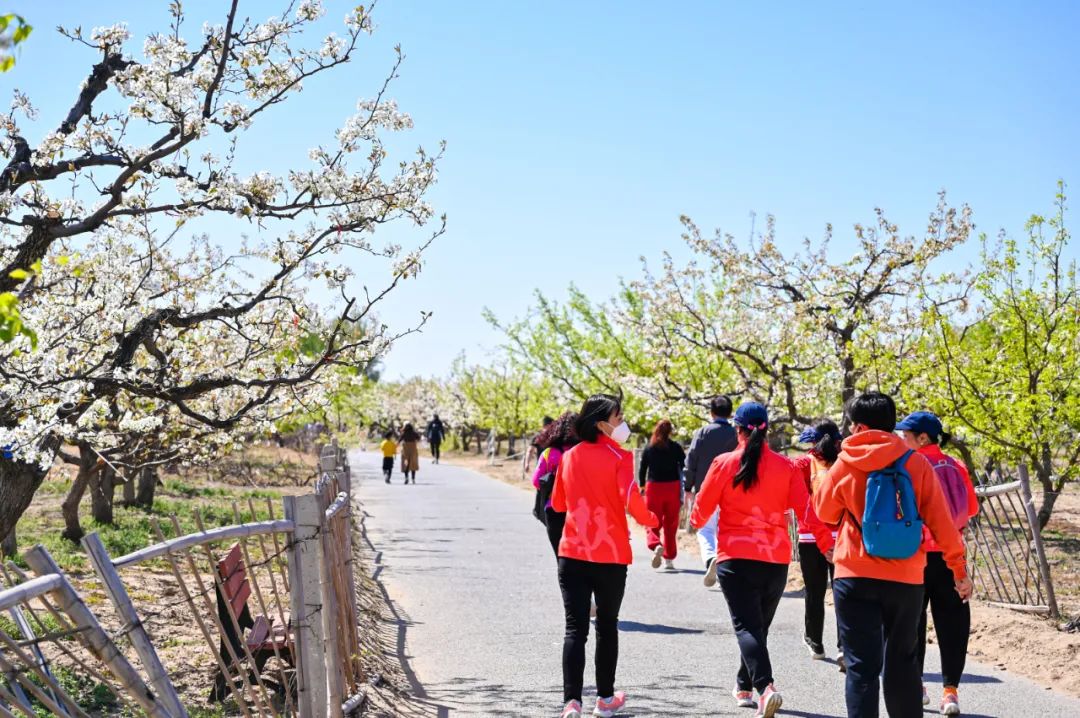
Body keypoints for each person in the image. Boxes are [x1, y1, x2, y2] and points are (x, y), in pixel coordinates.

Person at [813, 393, 972, 718]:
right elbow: (943, 524)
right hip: (906, 578)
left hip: (853, 575)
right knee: (902, 663)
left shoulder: (845, 462)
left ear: (857, 426)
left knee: (862, 668)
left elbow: (825, 512)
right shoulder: (916, 463)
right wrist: (958, 569)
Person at [690, 401, 830, 717]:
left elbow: (702, 509)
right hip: (775, 559)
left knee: (747, 627)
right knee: (757, 627)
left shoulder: (724, 463)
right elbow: (806, 510)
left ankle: (765, 687)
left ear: (737, 429)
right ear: (766, 429)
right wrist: (825, 543)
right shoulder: (786, 467)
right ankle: (743, 685)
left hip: (735, 557)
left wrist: (697, 520)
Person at [551, 393, 658, 718]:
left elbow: (558, 504)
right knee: (607, 626)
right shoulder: (620, 457)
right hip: (610, 555)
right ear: (601, 423)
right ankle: (605, 700)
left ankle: (572, 703)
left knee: (575, 629)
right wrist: (654, 521)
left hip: (572, 552)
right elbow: (634, 504)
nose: (622, 423)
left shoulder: (569, 457)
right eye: (618, 417)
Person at [896, 411, 979, 716]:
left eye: (905, 435)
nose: (901, 440)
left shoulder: (908, 465)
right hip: (950, 555)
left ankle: (916, 687)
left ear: (922, 438)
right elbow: (970, 508)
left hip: (914, 556)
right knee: (953, 623)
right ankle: (950, 692)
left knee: (911, 623)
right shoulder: (955, 465)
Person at [793, 421, 842, 665]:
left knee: (814, 591)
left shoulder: (803, 464)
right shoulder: (846, 462)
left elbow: (802, 504)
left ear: (812, 441)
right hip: (842, 537)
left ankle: (815, 642)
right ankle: (845, 645)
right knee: (843, 592)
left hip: (811, 536)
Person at [684, 395, 738, 587]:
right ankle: (724, 565)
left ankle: (710, 559)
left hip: (705, 488)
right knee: (724, 529)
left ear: (711, 412)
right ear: (731, 413)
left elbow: (691, 460)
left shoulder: (702, 432)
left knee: (705, 530)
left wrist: (688, 486)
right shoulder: (735, 433)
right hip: (732, 490)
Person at [637, 419, 685, 571]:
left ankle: (656, 544)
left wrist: (642, 486)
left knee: (652, 521)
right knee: (671, 524)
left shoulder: (649, 448)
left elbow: (642, 469)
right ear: (670, 432)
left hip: (654, 488)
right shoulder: (676, 447)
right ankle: (669, 559)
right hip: (672, 487)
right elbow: (684, 466)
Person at [532, 411, 580, 556]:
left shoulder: (549, 453)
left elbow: (536, 481)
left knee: (561, 556)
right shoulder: (584, 451)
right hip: (580, 509)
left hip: (554, 509)